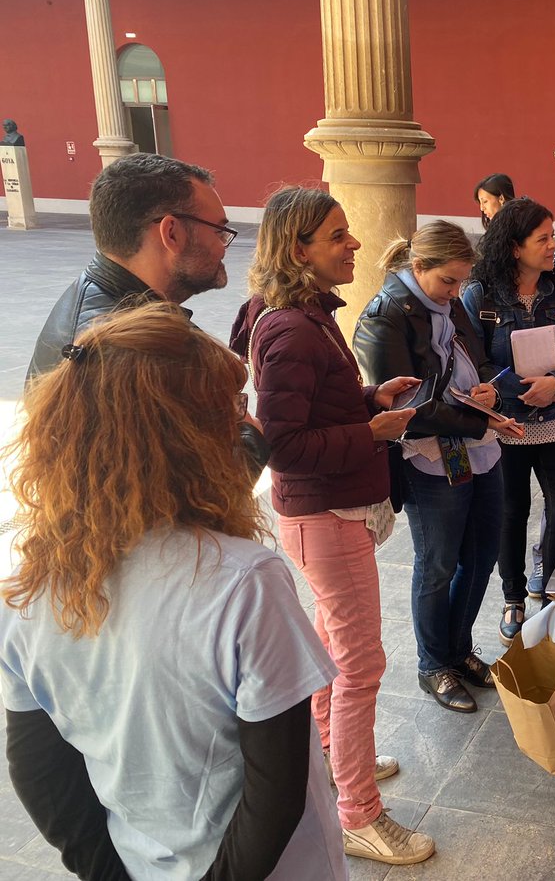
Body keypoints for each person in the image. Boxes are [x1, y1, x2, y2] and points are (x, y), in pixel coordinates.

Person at [2, 303, 347, 879]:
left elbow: (40, 772)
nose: (247, 426)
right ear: (185, 438)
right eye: (231, 411)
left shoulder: (27, 588)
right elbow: (276, 792)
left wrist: (106, 872)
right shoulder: (244, 583)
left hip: (142, 863)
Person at [229, 187, 435, 866]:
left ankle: (336, 760)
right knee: (360, 664)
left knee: (334, 649)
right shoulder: (290, 328)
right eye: (338, 235)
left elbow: (314, 412)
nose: (354, 245)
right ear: (299, 250)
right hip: (324, 514)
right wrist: (369, 431)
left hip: (328, 513)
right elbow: (283, 447)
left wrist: (368, 398)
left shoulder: (304, 314)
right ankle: (357, 813)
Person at [354, 220, 523, 713]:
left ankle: (458, 649)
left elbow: (480, 358)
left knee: (482, 553)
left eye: (461, 283)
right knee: (438, 563)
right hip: (432, 454)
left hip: (477, 445)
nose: (455, 294)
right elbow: (405, 411)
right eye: (447, 282)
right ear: (417, 266)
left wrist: (489, 388)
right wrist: (482, 420)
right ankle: (433, 665)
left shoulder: (448, 304)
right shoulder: (385, 316)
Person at [462, 197, 555, 645]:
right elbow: (472, 366)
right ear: (515, 247)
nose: (553, 245)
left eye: (552, 236)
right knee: (510, 513)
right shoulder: (479, 296)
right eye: (544, 238)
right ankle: (514, 597)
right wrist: (518, 390)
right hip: (507, 427)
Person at [27, 153, 234, 380]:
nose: (223, 247)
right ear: (172, 233)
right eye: (219, 232)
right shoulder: (133, 355)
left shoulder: (103, 307)